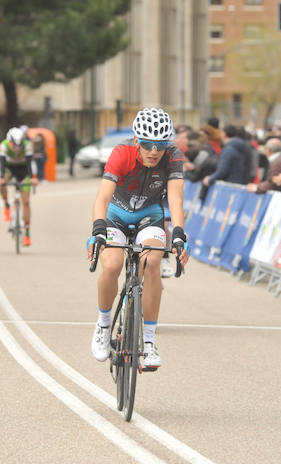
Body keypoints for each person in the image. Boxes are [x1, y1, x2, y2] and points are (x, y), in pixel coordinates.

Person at [87, 107, 190, 371]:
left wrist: (178, 235)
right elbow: (102, 197)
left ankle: (149, 340)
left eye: (160, 145)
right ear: (137, 141)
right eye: (147, 144)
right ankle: (103, 323)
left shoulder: (173, 157)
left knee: (152, 263)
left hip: (150, 216)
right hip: (116, 215)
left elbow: (176, 200)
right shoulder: (121, 153)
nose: (154, 151)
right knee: (111, 265)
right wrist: (98, 229)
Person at [0, 127, 34, 246]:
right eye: (15, 145)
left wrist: (32, 178)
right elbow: (2, 163)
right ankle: (6, 206)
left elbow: (29, 163)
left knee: (26, 202)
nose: (18, 149)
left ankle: (27, 233)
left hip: (23, 170)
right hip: (10, 168)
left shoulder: (27, 145)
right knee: (1, 183)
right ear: (10, 141)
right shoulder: (4, 145)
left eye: (20, 146)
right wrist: (2, 178)